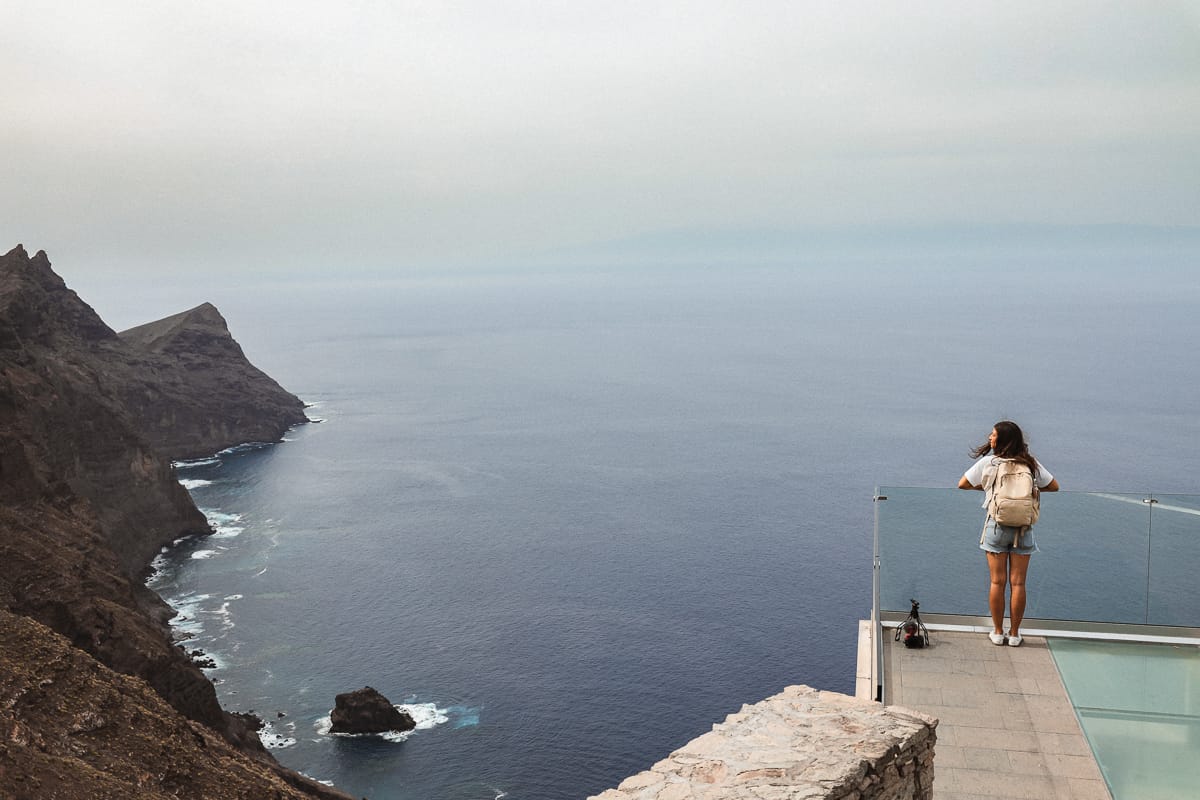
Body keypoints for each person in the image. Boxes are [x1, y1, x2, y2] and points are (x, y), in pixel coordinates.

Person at [957, 421, 1059, 646]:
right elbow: (1054, 486)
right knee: (1019, 584)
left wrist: (989, 488)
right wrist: (1030, 489)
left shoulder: (989, 463)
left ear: (1002, 439)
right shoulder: (1030, 464)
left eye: (993, 435)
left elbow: (962, 484)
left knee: (997, 582)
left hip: (996, 526)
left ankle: (997, 631)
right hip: (1023, 528)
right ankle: (1014, 634)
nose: (990, 438)